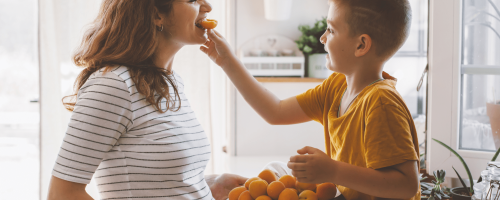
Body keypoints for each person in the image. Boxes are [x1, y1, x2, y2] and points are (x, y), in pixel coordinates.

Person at [200, 0, 420, 199]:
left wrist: (333, 171)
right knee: (275, 168)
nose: (322, 38)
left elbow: (407, 185)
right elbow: (275, 111)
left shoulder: (381, 102)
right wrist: (227, 61)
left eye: (331, 30)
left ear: (361, 45)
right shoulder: (336, 87)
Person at [46, 0, 246, 200]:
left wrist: (208, 185)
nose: (208, 6)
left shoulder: (171, 82)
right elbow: (62, 194)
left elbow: (158, 184)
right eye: (192, 0)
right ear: (157, 14)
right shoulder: (114, 84)